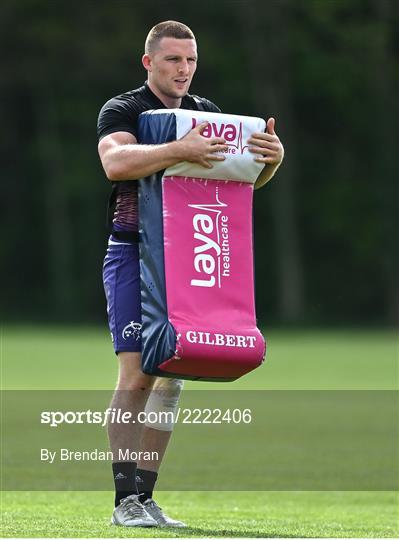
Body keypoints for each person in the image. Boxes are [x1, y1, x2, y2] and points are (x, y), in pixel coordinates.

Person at [97, 20, 284, 528]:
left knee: (171, 377)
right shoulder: (124, 109)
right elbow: (115, 163)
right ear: (149, 62)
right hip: (135, 253)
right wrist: (179, 150)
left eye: (191, 61)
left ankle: (147, 497)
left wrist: (270, 161)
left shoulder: (207, 114)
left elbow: (238, 181)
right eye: (173, 59)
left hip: (187, 256)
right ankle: (123, 504)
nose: (184, 70)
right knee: (137, 376)